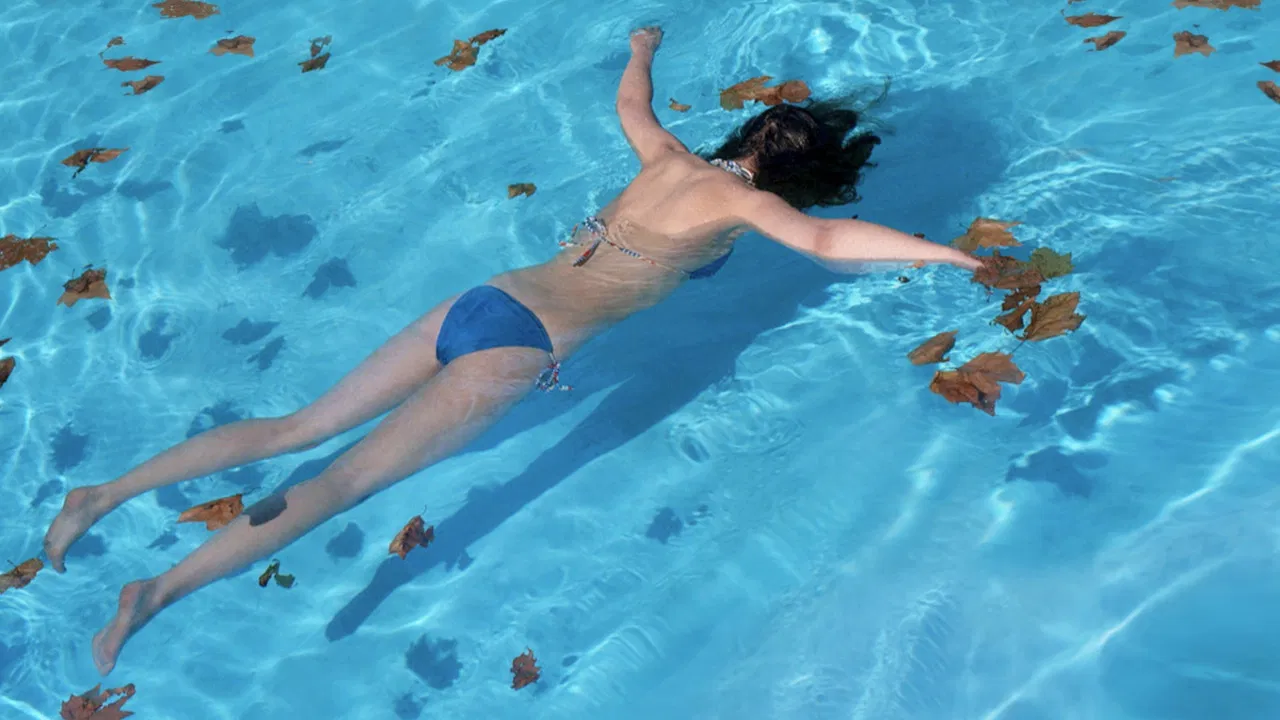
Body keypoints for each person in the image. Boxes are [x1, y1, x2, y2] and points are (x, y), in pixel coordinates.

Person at [42, 26, 980, 675]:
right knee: (344, 482)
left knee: (300, 428)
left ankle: (105, 493)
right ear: (803, 173)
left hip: (485, 298)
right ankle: (156, 592)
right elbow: (826, 241)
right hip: (522, 348)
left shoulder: (665, 158)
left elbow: (631, 102)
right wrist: (948, 254)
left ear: (746, 135)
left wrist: (643, 47)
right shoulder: (746, 204)